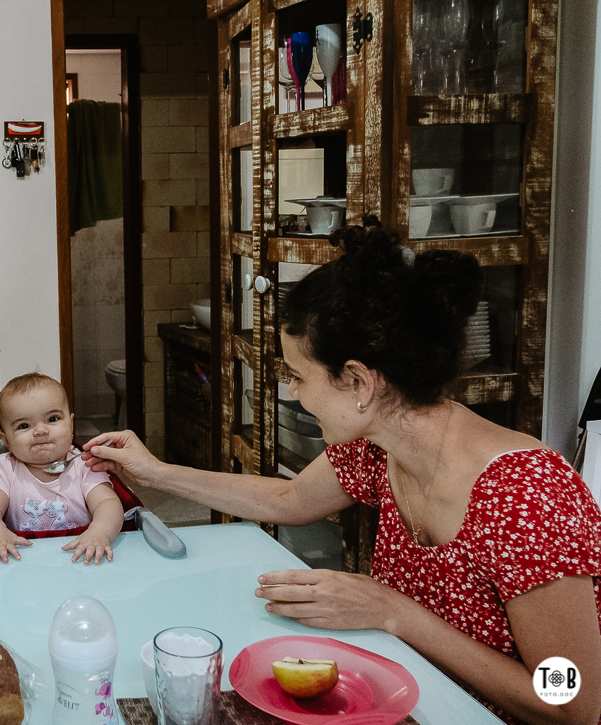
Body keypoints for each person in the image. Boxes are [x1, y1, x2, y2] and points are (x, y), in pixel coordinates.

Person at [84, 226, 601, 725]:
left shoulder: (527, 497)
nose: (291, 392)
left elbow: (572, 704)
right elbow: (289, 499)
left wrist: (391, 611)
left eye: (296, 376)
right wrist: (155, 472)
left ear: (357, 380)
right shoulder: (380, 447)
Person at [0, 373, 124, 565]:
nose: (41, 430)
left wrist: (100, 531)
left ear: (71, 425)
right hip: (23, 562)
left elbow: (107, 503)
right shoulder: (5, 467)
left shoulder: (84, 464)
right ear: (6, 440)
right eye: (24, 425)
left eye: (53, 419)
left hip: (79, 557)